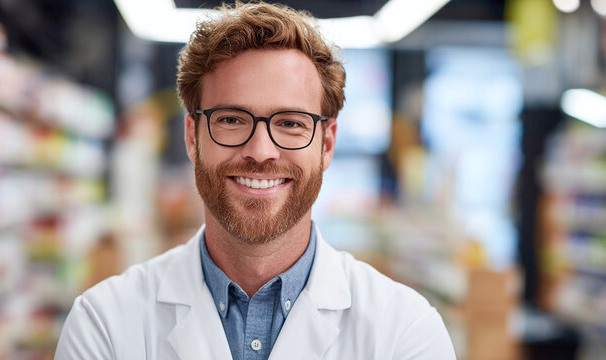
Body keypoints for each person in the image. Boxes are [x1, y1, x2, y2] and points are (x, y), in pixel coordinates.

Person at [55, 2, 456, 359]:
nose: (261, 151)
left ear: (327, 144)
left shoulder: (406, 333)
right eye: (231, 120)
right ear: (192, 136)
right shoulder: (104, 326)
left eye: (290, 123)